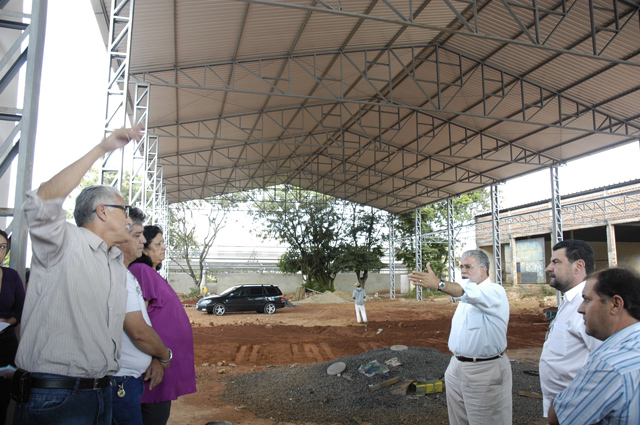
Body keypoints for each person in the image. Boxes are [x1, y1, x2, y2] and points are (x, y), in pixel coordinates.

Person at [12, 125, 143, 425]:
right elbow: (41, 200)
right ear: (102, 211)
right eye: (124, 209)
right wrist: (102, 149)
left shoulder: (113, 262)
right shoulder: (62, 241)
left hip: (100, 393)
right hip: (55, 398)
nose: (129, 218)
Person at [408, 250, 511, 425]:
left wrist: (439, 284)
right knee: (458, 420)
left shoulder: (494, 292)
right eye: (461, 266)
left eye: (468, 266)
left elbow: (464, 292)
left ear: (484, 269)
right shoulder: (467, 296)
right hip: (456, 366)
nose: (463, 270)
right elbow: (463, 292)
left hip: (484, 369)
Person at [549, 267, 640, 425]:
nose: (580, 308)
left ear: (615, 304)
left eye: (587, 299)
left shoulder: (608, 365)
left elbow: (558, 418)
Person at [129, 225, 196, 425]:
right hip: (154, 365)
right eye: (158, 244)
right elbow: (139, 321)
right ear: (145, 248)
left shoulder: (151, 273)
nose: (164, 247)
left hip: (161, 363)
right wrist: (157, 357)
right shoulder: (141, 270)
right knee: (153, 416)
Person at [113, 207, 172, 425]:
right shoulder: (132, 274)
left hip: (131, 379)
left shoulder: (129, 275)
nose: (142, 241)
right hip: (124, 381)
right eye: (138, 236)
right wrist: (164, 355)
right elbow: (138, 329)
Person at [539, 239, 602, 417]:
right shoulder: (570, 300)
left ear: (578, 266)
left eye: (556, 262)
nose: (548, 268)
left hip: (579, 408)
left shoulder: (588, 305)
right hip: (564, 406)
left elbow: (602, 363)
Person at [0, 230, 25, 425]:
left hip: (6, 344)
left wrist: (9, 322)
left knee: (3, 398)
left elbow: (21, 309)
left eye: (2, 247)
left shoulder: (12, 276)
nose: (0, 251)